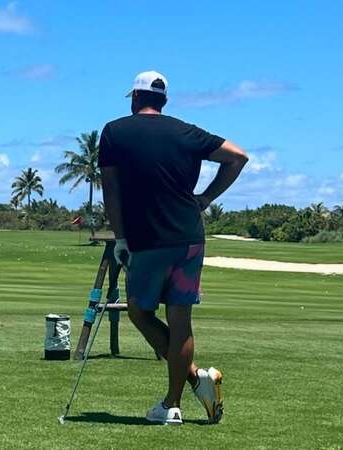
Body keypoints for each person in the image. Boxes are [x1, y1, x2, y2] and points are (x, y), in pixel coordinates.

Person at [99, 71, 248, 424]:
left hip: (148, 238)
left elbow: (111, 190)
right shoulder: (186, 131)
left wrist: (120, 237)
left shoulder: (114, 131)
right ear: (163, 102)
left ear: (135, 98)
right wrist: (207, 199)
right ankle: (177, 399)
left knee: (138, 311)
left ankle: (189, 385)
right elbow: (238, 157)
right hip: (189, 237)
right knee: (180, 318)